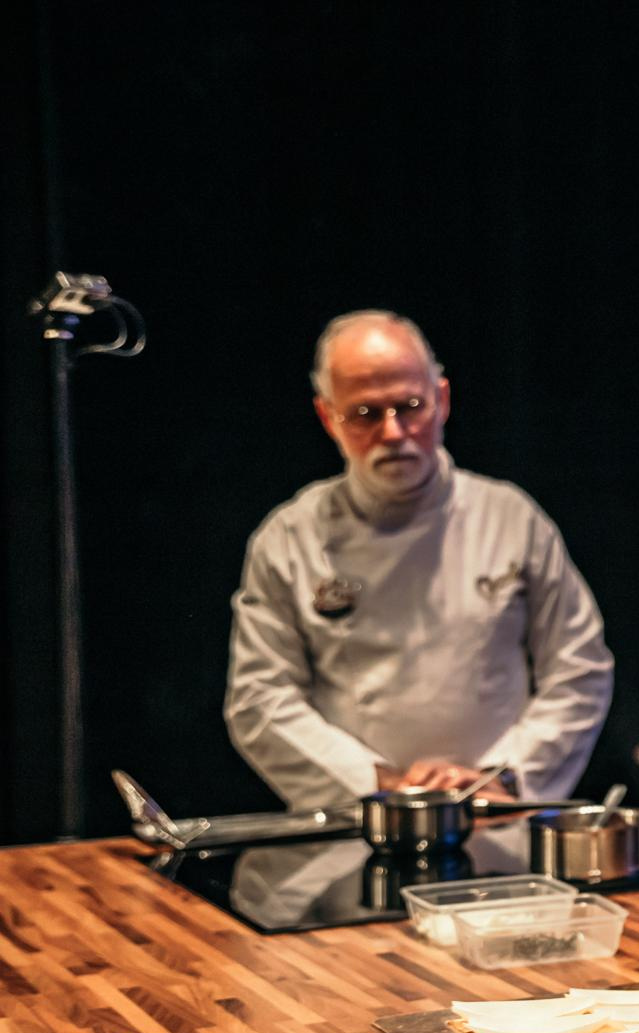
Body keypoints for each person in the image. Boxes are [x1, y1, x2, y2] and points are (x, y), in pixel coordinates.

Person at [226, 310, 613, 810]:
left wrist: (502, 777)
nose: (393, 432)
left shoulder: (511, 518)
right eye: (366, 414)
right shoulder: (289, 537)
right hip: (352, 825)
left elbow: (579, 671)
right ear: (328, 417)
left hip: (492, 824)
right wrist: (380, 783)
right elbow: (261, 701)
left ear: (443, 400)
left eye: (410, 406)